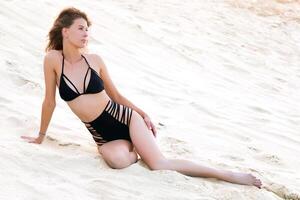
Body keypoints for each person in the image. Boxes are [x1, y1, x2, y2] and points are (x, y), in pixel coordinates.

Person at [21, 7, 262, 189]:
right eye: (81, 28)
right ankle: (133, 148)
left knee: (159, 164)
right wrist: (40, 136)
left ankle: (229, 175)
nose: (86, 33)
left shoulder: (94, 60)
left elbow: (115, 95)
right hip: (102, 135)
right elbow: (49, 101)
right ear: (65, 31)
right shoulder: (53, 60)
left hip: (125, 119)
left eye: (88, 29)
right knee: (116, 161)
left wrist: (143, 114)